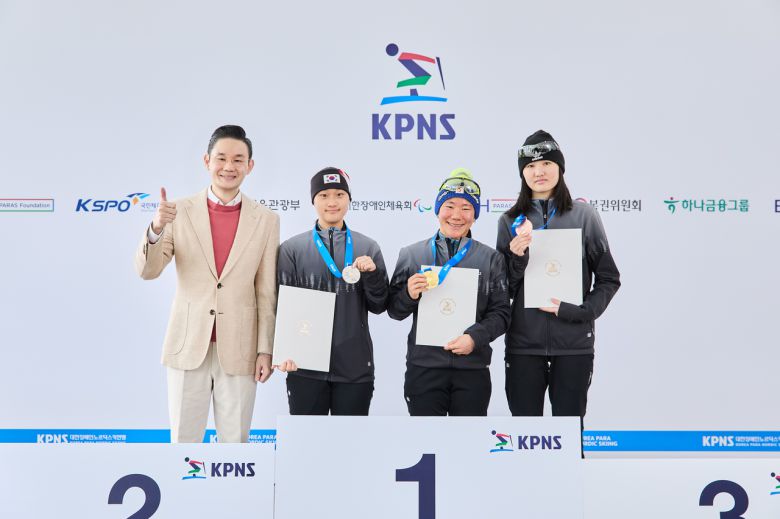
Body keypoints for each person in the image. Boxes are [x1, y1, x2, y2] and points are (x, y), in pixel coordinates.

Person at [135, 125, 279, 443]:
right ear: (207, 161)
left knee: (235, 445)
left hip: (240, 348)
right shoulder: (178, 212)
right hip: (187, 344)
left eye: (238, 160)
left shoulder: (266, 220)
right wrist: (156, 228)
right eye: (221, 158)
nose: (229, 166)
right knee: (183, 444)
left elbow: (266, 292)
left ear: (250, 166)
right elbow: (148, 271)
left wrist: (265, 350)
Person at [496, 130, 621, 428]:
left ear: (560, 167)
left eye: (546, 163)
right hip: (524, 345)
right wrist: (517, 257)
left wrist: (581, 312)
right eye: (530, 166)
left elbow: (609, 278)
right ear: (522, 173)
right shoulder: (509, 220)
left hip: (574, 344)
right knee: (525, 433)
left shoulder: (584, 215)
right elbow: (502, 289)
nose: (538, 172)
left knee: (568, 432)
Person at [388, 168, 510, 416]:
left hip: (472, 369)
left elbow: (501, 314)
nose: (456, 215)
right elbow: (394, 311)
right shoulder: (412, 254)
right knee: (425, 436)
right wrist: (409, 294)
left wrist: (475, 338)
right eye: (450, 206)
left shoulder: (491, 259)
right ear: (438, 210)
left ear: (475, 215)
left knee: (468, 439)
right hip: (424, 368)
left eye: (466, 208)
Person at [275, 168, 389, 415]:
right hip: (304, 367)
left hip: (355, 367)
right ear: (313, 200)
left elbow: (380, 305)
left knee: (350, 438)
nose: (332, 202)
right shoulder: (291, 249)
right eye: (324, 195)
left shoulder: (368, 247)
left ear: (349, 199)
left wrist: (372, 275)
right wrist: (284, 352)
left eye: (339, 194)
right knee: (307, 437)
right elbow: (282, 306)